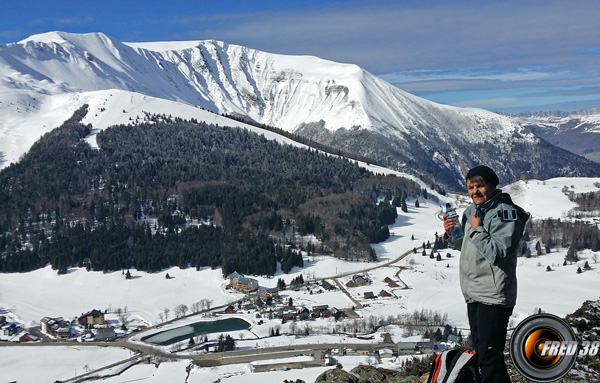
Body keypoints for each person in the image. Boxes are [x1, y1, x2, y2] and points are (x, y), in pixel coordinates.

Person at [443, 165, 530, 383]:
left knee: (490, 357)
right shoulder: (471, 211)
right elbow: (466, 245)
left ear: (491, 186)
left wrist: (476, 229)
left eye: (480, 186)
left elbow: (498, 252)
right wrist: (451, 233)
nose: (475, 192)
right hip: (474, 292)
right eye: (470, 187)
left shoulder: (505, 213)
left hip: (494, 295)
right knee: (481, 354)